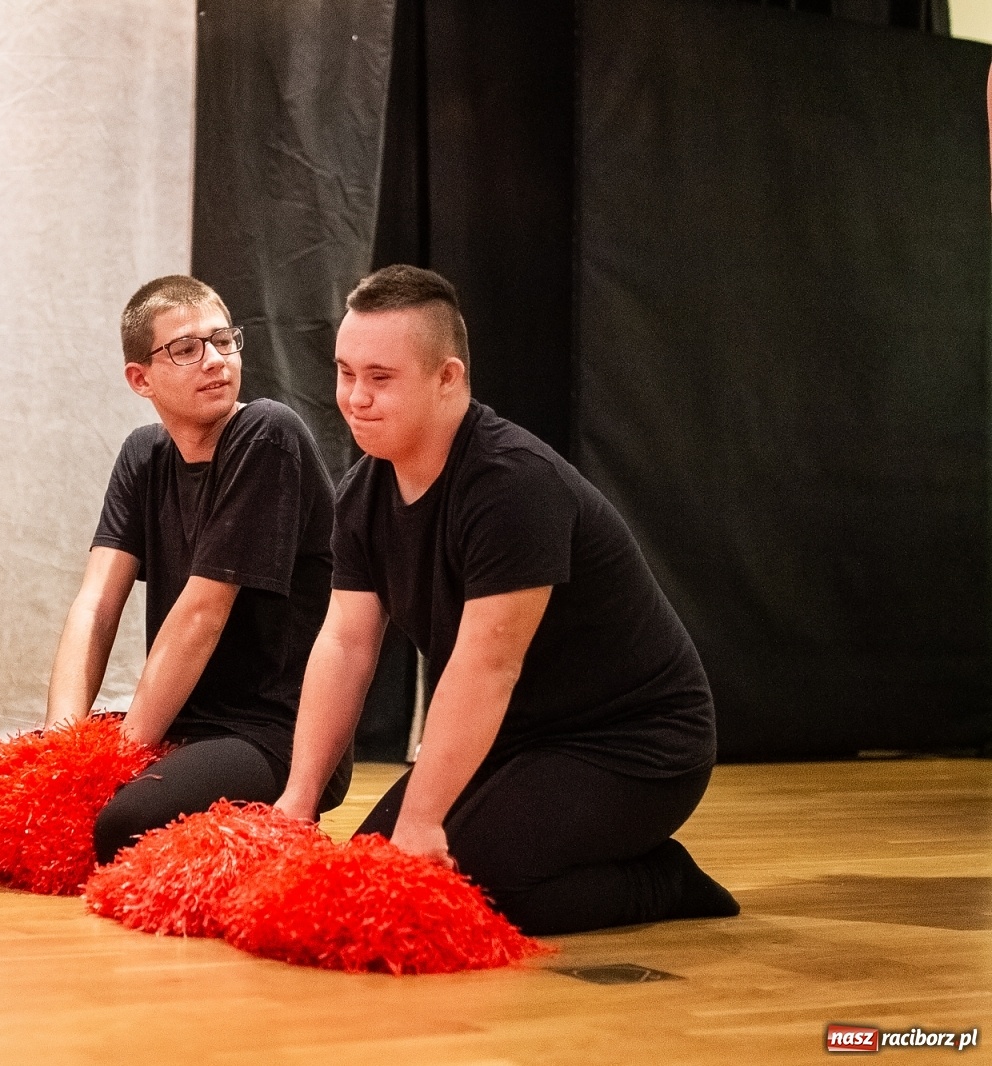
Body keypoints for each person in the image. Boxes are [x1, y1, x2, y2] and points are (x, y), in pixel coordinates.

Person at [274, 265, 739, 936]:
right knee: (370, 875)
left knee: (467, 895)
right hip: (515, 739)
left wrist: (422, 821)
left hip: (634, 745)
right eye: (346, 373)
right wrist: (298, 799)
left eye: (380, 378)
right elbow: (345, 644)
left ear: (448, 378)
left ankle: (662, 879)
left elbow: (488, 667)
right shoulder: (361, 496)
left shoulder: (513, 485)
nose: (356, 398)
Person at [47, 275, 349, 864]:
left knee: (122, 825)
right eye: (186, 349)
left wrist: (115, 761)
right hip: (185, 725)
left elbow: (202, 615)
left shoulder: (267, 433)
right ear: (141, 379)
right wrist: (62, 749)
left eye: (223, 340)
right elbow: (96, 605)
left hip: (273, 733)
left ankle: (269, 832)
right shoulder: (144, 454)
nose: (215, 360)